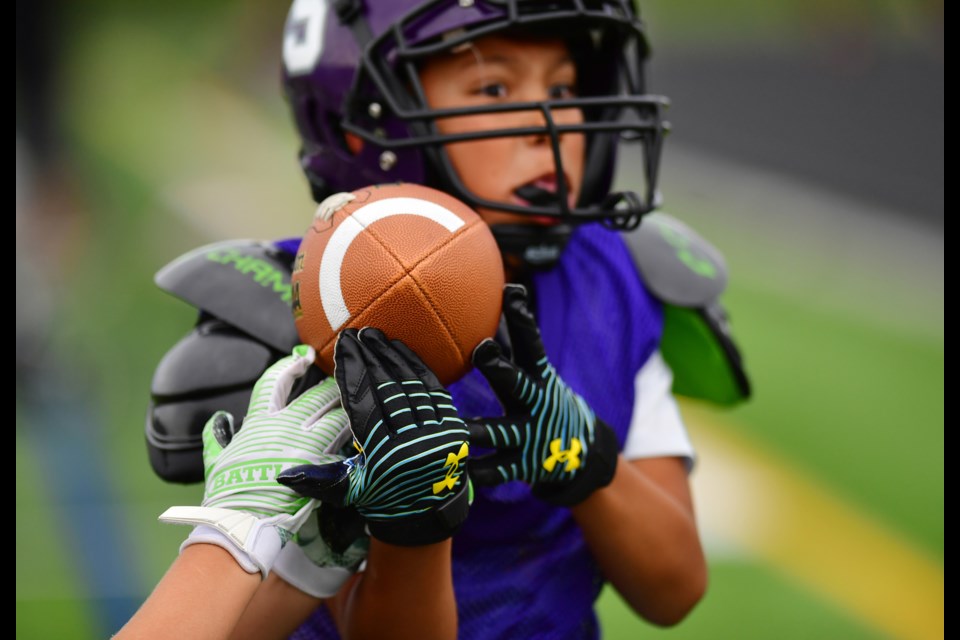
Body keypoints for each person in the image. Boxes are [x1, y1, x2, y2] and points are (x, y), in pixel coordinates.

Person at [143, 0, 751, 638]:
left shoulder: (613, 275)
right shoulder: (308, 313)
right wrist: (414, 525)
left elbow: (674, 590)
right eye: (494, 87)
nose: (552, 124)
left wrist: (589, 463)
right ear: (364, 128)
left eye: (564, 87)